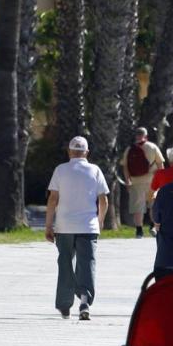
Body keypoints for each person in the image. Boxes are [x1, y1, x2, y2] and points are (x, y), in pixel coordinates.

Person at [45, 136, 110, 320]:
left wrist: (49, 225)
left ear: (69, 151)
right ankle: (84, 300)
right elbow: (104, 199)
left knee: (65, 263)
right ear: (87, 152)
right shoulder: (95, 170)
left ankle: (65, 305)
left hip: (64, 226)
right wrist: (100, 220)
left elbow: (52, 199)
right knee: (87, 263)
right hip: (88, 227)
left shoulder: (60, 170)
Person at [121, 127, 164, 238]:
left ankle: (139, 231)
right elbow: (160, 164)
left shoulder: (129, 149)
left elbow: (125, 167)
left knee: (138, 207)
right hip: (152, 181)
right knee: (152, 204)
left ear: (136, 135)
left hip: (136, 182)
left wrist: (127, 180)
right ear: (146, 136)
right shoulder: (153, 147)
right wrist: (161, 180)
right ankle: (152, 226)